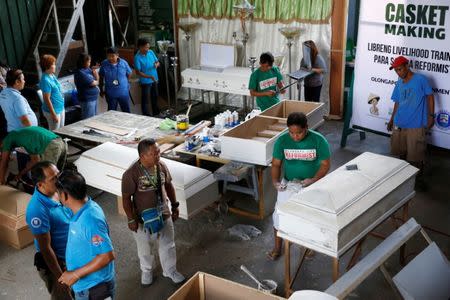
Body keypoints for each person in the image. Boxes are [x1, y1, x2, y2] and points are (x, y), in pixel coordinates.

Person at [122, 138, 185, 286]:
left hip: (163, 213)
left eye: (158, 152)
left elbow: (169, 186)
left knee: (168, 244)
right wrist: (131, 219)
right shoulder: (131, 174)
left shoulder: (161, 166)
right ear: (142, 156)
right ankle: (147, 270)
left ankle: (170, 270)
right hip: (142, 219)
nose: (158, 155)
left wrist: (175, 206)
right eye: (154, 153)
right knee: (144, 247)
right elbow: (126, 199)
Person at [268, 112, 331, 260]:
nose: (295, 137)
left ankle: (308, 245)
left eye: (299, 133)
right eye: (291, 133)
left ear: (307, 128)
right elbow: (276, 164)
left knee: (308, 216)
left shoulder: (318, 140)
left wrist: (314, 179)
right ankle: (278, 247)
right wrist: (276, 182)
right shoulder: (282, 141)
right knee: (279, 215)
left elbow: (325, 164)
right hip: (289, 183)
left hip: (312, 183)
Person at [57, 170, 115, 300]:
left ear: (65, 196)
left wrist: (75, 275)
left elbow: (107, 256)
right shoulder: (79, 208)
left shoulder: (90, 220)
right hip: (84, 286)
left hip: (95, 288)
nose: (57, 196)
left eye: (58, 193)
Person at [26, 161, 73, 300]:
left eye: (58, 174)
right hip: (58, 263)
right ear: (40, 184)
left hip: (70, 255)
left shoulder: (56, 190)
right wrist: (61, 277)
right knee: (64, 296)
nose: (59, 179)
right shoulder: (37, 210)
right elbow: (45, 248)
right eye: (53, 178)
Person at [387, 56, 434, 188]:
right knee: (401, 152)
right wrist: (391, 120)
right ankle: (405, 178)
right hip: (400, 123)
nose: (398, 72)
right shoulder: (399, 82)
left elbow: (430, 97)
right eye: (396, 70)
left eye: (400, 69)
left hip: (416, 125)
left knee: (416, 155)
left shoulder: (420, 80)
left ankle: (417, 180)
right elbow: (397, 101)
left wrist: (431, 115)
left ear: (407, 66)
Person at [0, 126, 67, 184]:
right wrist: (21, 174)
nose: (3, 151)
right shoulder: (23, 138)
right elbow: (35, 160)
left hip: (51, 146)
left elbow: (4, 163)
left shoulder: (7, 140)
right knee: (59, 176)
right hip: (60, 142)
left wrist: (2, 180)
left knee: (48, 177)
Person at [99, 47, 132, 113]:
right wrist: (101, 89)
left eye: (112, 56)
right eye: (108, 56)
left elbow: (129, 73)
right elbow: (101, 77)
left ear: (117, 55)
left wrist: (126, 82)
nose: (110, 58)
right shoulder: (104, 64)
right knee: (111, 112)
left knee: (126, 112)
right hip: (110, 93)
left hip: (123, 92)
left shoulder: (123, 63)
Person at [134, 38, 160, 116]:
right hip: (145, 81)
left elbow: (157, 62)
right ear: (140, 47)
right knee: (145, 99)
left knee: (155, 96)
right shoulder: (137, 57)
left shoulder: (151, 52)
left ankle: (156, 113)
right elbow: (138, 72)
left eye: (148, 47)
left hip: (154, 78)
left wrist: (156, 64)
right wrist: (149, 76)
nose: (147, 49)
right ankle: (146, 115)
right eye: (145, 47)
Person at [40, 54, 65, 130]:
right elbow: (46, 99)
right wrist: (53, 114)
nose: (55, 66)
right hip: (53, 111)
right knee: (54, 132)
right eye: (53, 64)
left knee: (62, 130)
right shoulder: (45, 80)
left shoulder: (51, 75)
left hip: (60, 107)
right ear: (48, 66)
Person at [74, 53, 100, 119]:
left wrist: (93, 70)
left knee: (94, 117)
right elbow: (94, 83)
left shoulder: (87, 69)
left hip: (93, 97)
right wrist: (97, 77)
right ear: (83, 62)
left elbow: (91, 74)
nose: (89, 63)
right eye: (88, 62)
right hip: (87, 100)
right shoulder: (80, 73)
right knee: (88, 119)